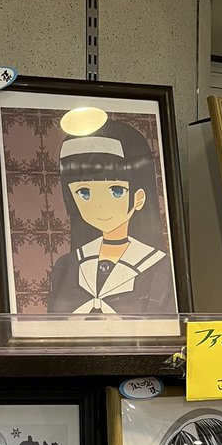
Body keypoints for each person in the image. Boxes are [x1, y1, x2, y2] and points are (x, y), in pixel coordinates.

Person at [48, 119, 175, 316]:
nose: (100, 205)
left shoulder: (161, 268)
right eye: (84, 193)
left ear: (139, 198)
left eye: (116, 191)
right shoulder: (66, 266)